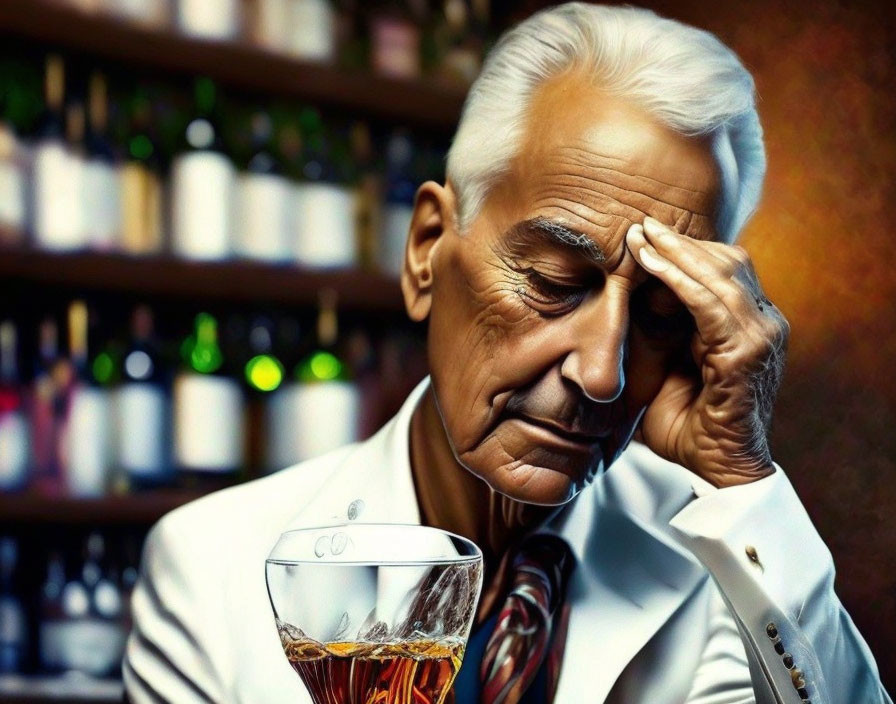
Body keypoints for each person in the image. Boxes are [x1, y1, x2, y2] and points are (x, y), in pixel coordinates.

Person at [123, 4, 892, 703]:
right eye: (555, 282)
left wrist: (741, 477)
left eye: (660, 316)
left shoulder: (730, 575)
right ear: (427, 249)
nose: (600, 373)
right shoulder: (211, 569)